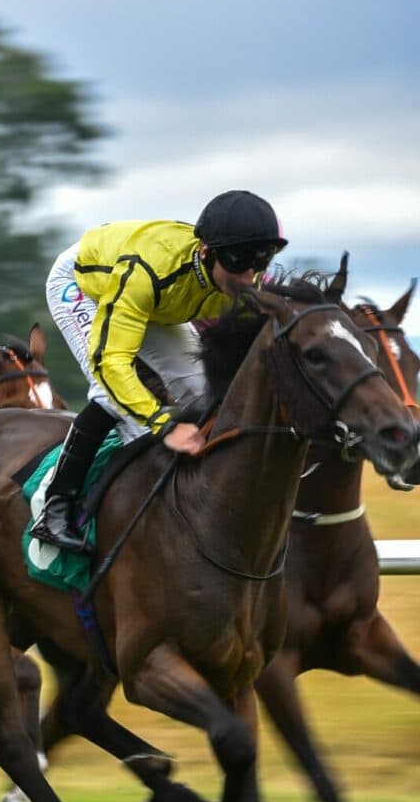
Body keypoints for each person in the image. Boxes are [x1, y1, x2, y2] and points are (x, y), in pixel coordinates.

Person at [27, 189, 287, 552]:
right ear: (205, 252)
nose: (248, 278)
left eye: (259, 263)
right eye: (238, 263)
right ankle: (56, 507)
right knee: (113, 397)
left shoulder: (242, 275)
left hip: (159, 300)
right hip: (87, 284)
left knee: (198, 389)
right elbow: (112, 365)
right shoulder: (145, 274)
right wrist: (163, 426)